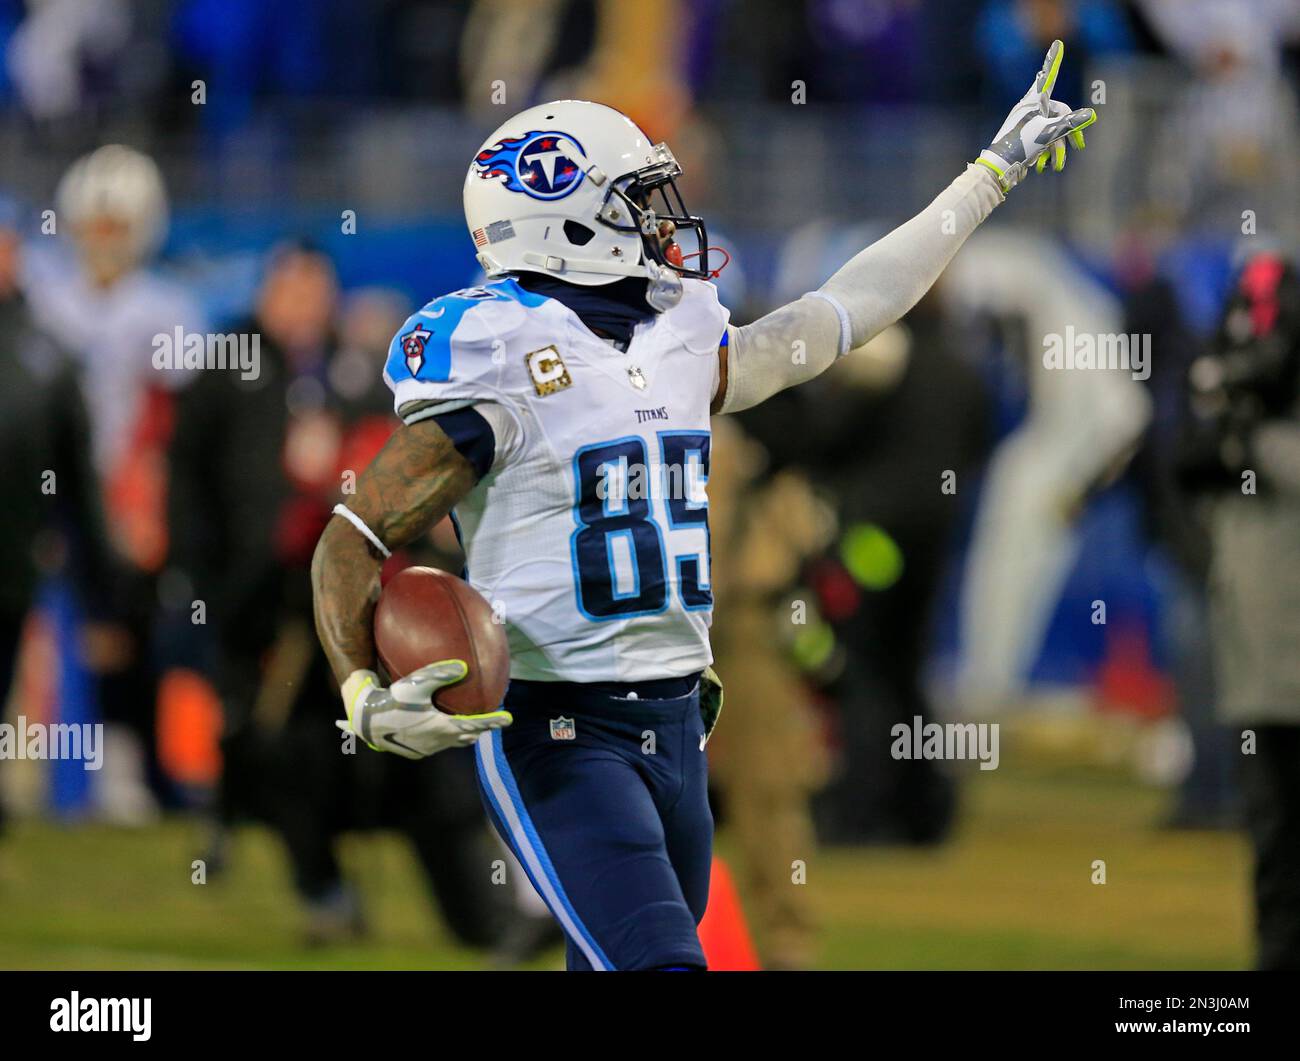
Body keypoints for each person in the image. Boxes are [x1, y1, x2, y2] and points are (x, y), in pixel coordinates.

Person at [312, 43, 1097, 970]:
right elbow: (352, 538)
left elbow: (842, 312)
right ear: (562, 221)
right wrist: (361, 692)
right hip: (559, 730)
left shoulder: (679, 332)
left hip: (681, 724)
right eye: (631, 200)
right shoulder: (499, 352)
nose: (658, 218)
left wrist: (988, 176)